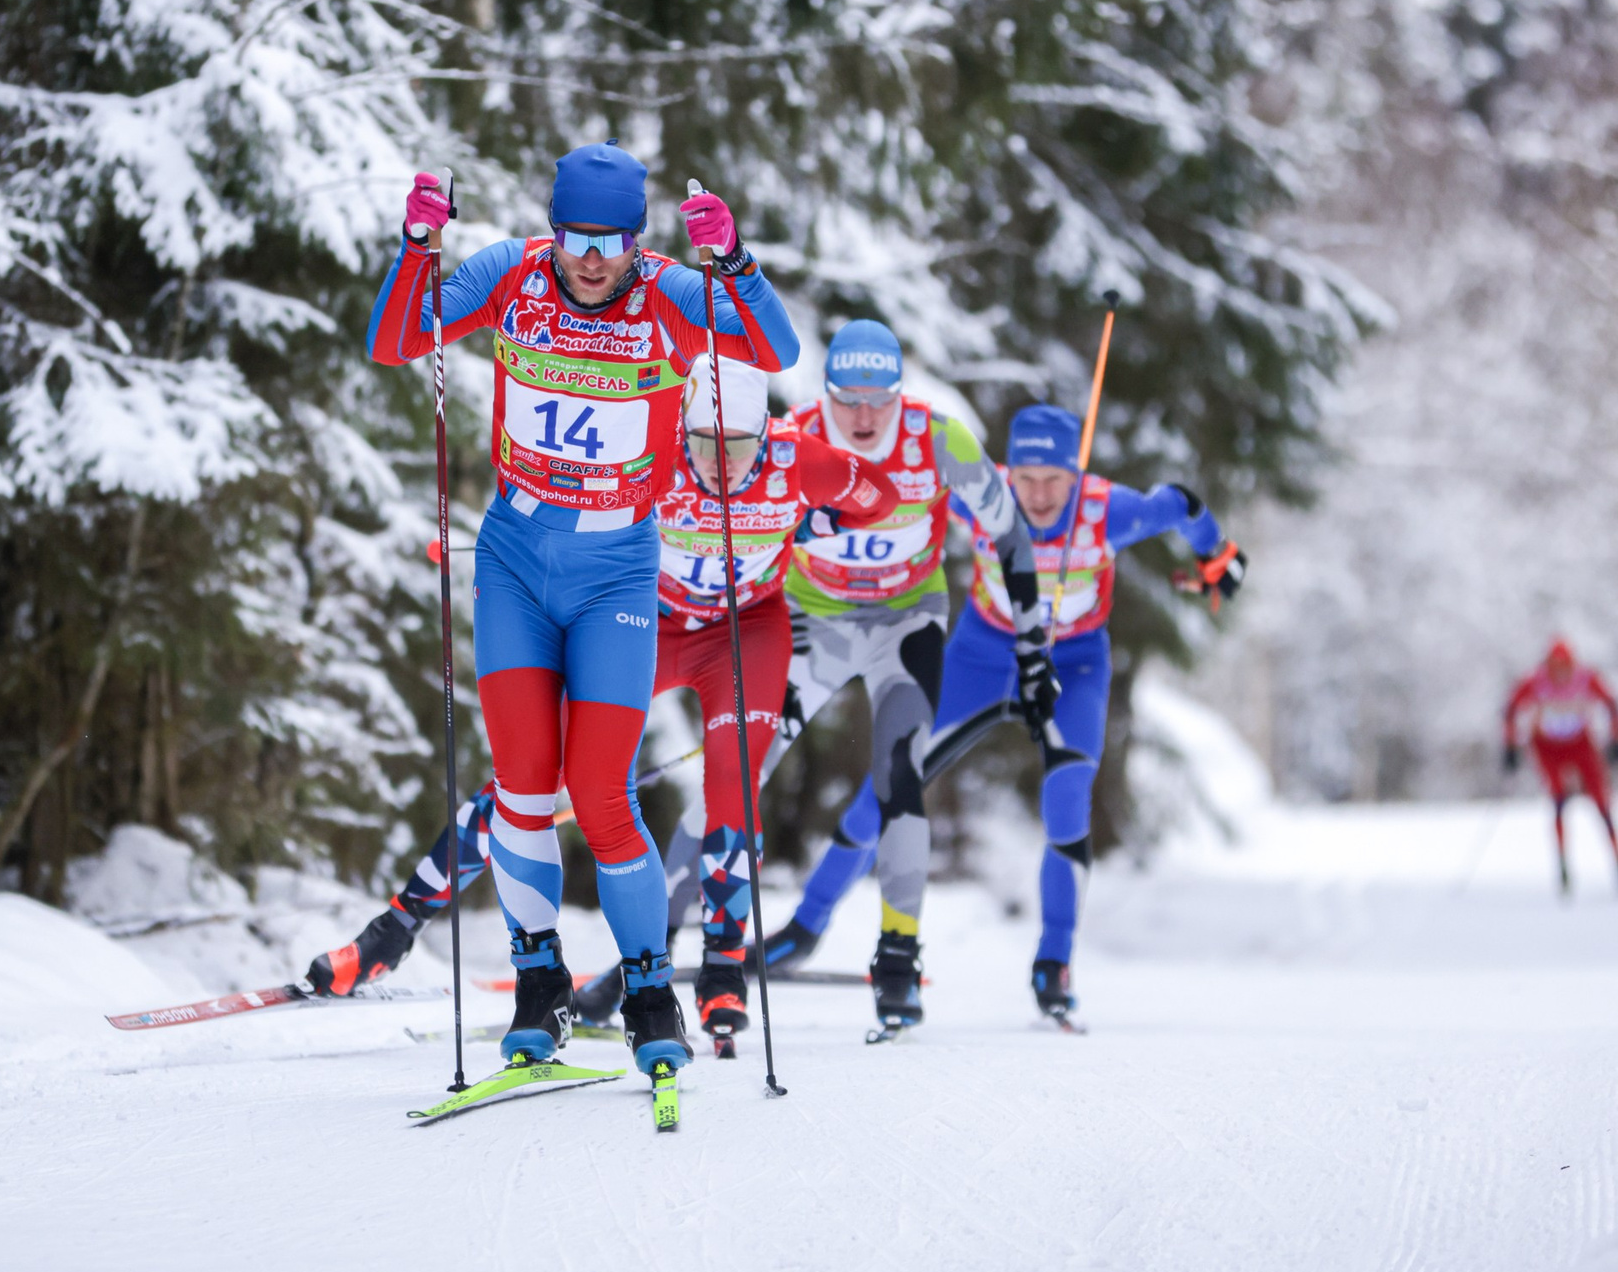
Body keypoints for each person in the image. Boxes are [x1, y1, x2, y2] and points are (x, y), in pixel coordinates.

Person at [310, 359, 896, 1055]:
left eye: (736, 447)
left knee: (733, 790)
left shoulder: (800, 462)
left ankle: (722, 971)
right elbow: (557, 505)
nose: (717, 464)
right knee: (531, 785)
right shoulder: (651, 455)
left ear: (766, 434)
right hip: (646, 626)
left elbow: (881, 497)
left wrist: (812, 526)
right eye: (703, 444)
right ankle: (393, 931)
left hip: (744, 635)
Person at [364, 145, 798, 1078]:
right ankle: (539, 984)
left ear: (638, 240)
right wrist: (416, 246)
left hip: (617, 570)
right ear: (552, 228)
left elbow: (776, 352)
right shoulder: (512, 274)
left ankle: (649, 990)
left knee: (600, 795)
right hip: (518, 560)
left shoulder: (673, 294)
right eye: (576, 238)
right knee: (521, 790)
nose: (591, 259)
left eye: (611, 241)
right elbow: (397, 339)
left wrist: (736, 267)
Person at [772, 404, 1241, 1025]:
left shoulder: (1107, 511)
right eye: (1026, 478)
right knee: (892, 782)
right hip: (983, 656)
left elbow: (1178, 502)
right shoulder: (980, 492)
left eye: (1054, 479)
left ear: (1075, 476)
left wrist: (1218, 556)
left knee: (1068, 795)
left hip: (1073, 664)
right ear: (1007, 473)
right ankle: (805, 928)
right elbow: (897, 490)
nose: (1040, 494)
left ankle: (1053, 963)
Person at [757, 321, 1051, 1035]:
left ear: (900, 393)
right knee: (741, 764)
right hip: (812, 622)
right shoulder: (791, 437)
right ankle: (691, 937)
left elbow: (1010, 533)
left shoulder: (937, 440)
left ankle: (897, 956)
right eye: (847, 399)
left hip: (904, 622)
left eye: (878, 400)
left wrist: (1035, 644)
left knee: (899, 776)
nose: (862, 418)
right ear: (825, 393)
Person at [1503, 640, 1618, 897]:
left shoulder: (1585, 678)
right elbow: (1510, 709)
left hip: (1580, 744)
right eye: (1556, 667)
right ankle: (1564, 871)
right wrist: (1510, 747)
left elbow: (1611, 703)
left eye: (1565, 666)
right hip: (1547, 747)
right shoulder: (1536, 682)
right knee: (1558, 799)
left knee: (1601, 801)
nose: (1561, 673)